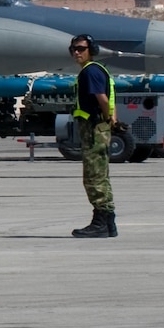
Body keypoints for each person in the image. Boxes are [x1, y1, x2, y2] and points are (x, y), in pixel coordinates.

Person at [69, 34, 118, 237]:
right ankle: (108, 223)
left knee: (93, 177)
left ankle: (100, 222)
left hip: (93, 129)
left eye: (81, 48)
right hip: (98, 128)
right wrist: (113, 120)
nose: (77, 52)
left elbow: (103, 99)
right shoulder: (99, 71)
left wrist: (107, 119)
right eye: (74, 49)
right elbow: (111, 99)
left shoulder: (90, 72)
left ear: (92, 50)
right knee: (101, 176)